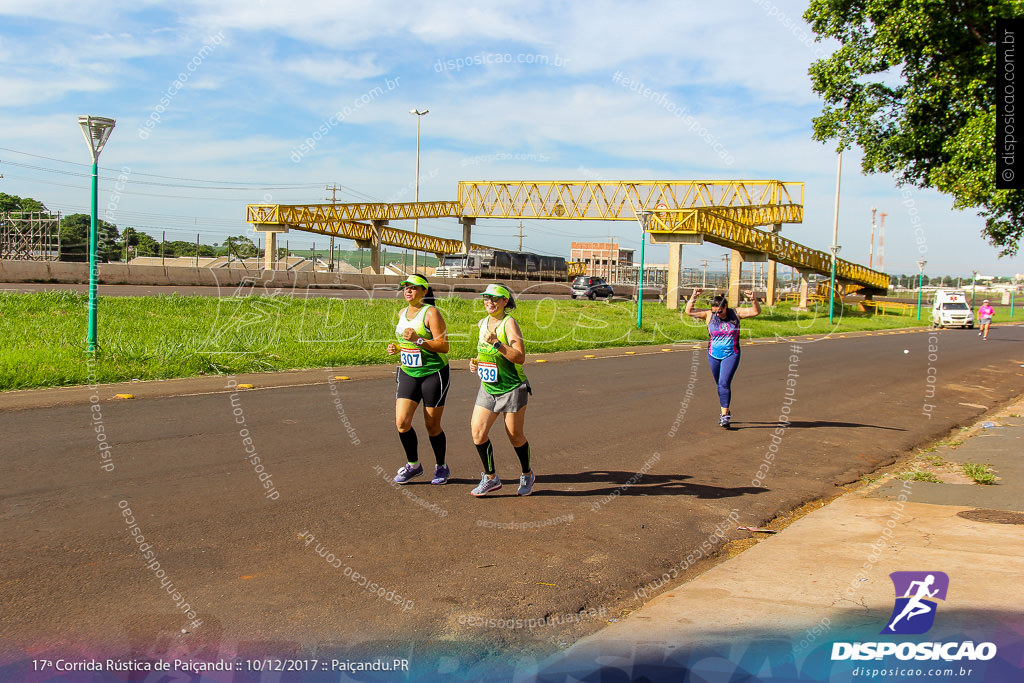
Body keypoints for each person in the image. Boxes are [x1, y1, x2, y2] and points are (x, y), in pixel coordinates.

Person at [467, 283, 535, 496]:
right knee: (478, 433)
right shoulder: (482, 323)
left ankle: (527, 474)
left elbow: (520, 357)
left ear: (505, 301)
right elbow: (484, 353)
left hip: (512, 387)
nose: (490, 302)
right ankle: (491, 478)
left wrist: (497, 342)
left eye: (495, 298)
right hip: (488, 387)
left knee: (514, 435)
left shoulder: (509, 323)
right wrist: (477, 362)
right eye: (487, 298)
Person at [386, 274, 451, 484]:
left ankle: (441, 466)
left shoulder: (431, 313)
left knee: (432, 425)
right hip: (408, 372)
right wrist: (396, 347)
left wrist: (418, 339)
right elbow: (406, 343)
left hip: (433, 373)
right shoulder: (401, 312)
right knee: (402, 422)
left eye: (413, 288)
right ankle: (413, 465)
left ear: (424, 291)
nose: (408, 290)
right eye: (405, 287)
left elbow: (443, 346)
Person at [685, 288, 762, 429]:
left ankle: (724, 415)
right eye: (715, 312)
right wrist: (694, 296)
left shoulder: (736, 313)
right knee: (720, 385)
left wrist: (753, 299)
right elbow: (689, 311)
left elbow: (756, 311)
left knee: (724, 383)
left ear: (725, 307)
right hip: (713, 354)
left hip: (731, 354)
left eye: (720, 311)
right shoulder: (709, 315)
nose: (717, 314)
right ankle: (725, 409)